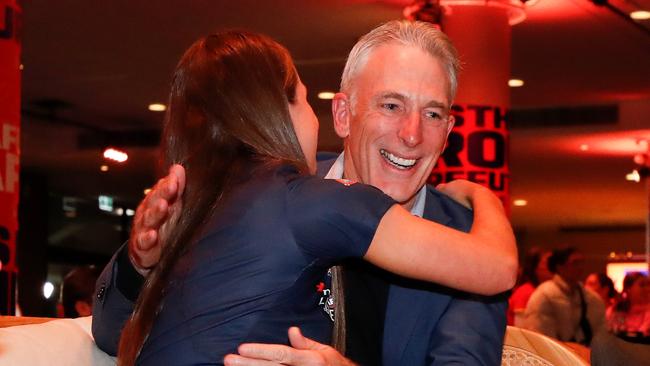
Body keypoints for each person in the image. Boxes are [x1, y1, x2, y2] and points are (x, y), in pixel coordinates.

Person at [94, 21, 513, 366]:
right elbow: (113, 332)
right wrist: (141, 266)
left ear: (447, 135)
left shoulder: (466, 239)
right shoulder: (261, 194)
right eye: (391, 106)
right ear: (343, 114)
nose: (411, 134)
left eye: (433, 114)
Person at [523, 247, 605, 346]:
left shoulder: (592, 298)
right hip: (555, 356)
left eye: (581, 262)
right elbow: (539, 336)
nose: (580, 267)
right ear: (559, 266)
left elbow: (600, 334)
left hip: (584, 356)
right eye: (574, 263)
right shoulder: (544, 295)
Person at [508, 248, 552, 325]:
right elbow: (520, 330)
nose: (553, 268)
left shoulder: (546, 290)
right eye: (547, 263)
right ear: (534, 268)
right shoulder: (525, 292)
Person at [606, 272, 650, 341]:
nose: (648, 289)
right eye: (642, 285)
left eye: (648, 285)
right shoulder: (615, 310)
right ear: (628, 289)